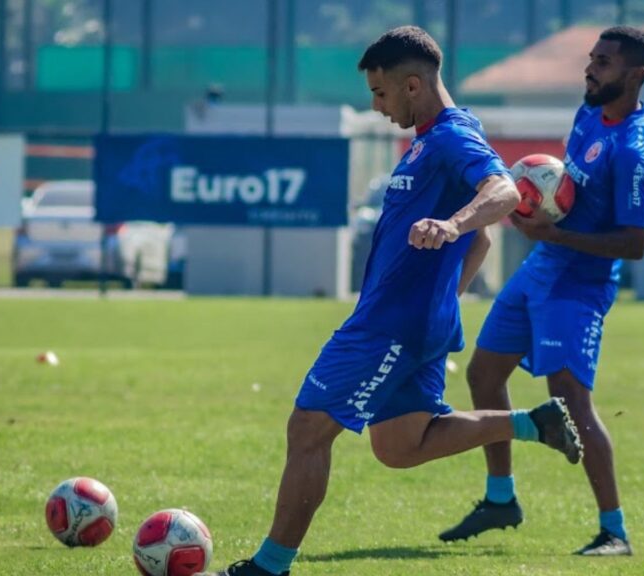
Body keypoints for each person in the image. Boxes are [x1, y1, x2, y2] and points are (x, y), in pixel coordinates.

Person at [198, 26, 582, 576]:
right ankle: (532, 422)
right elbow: (485, 239)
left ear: (411, 85)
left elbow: (500, 194)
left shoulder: (451, 137)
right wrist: (445, 293)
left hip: (389, 325)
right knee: (399, 446)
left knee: (309, 429)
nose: (375, 107)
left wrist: (449, 226)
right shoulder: (432, 138)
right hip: (416, 320)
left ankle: (268, 567)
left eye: (379, 94)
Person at [440, 26, 644, 556]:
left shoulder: (634, 150)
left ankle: (615, 532)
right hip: (543, 266)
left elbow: (636, 245)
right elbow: (568, 191)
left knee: (571, 402)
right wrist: (542, 208)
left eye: (603, 63)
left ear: (635, 75)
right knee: (483, 373)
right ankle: (500, 498)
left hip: (578, 287)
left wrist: (554, 231)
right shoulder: (588, 114)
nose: (590, 69)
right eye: (591, 59)